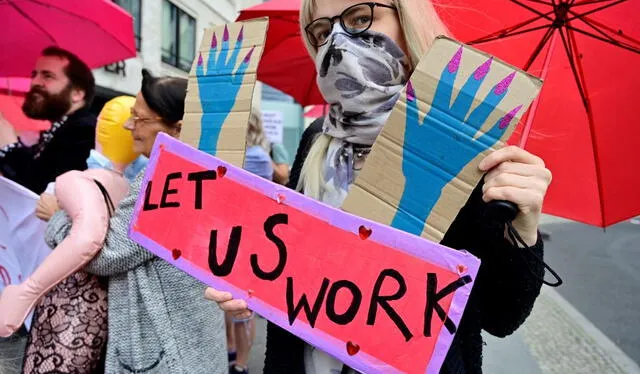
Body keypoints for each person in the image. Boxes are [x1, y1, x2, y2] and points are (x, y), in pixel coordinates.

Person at [207, 1, 553, 373]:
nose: (338, 42)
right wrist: (250, 285)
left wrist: (524, 227)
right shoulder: (315, 140)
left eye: (360, 18)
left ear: (408, 21)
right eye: (323, 31)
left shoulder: (462, 149)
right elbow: (294, 263)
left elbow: (502, 315)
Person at [44, 69, 227, 374]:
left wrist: (57, 219)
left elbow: (104, 255)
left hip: (165, 356)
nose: (129, 126)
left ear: (178, 129)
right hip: (189, 347)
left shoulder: (171, 180)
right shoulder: (205, 170)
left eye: (141, 119)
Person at [0, 96, 143, 373]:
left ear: (100, 130)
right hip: (110, 310)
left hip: (68, 304)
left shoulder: (74, 181)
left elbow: (87, 239)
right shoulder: (135, 189)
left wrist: (24, 293)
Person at [0, 46, 96, 194]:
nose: (35, 82)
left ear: (77, 94)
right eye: (34, 74)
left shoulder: (84, 132)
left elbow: (42, 190)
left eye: (48, 76)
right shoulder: (56, 132)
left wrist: (9, 146)